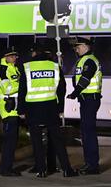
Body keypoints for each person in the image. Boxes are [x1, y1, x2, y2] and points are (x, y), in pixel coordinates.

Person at [19, 42, 78, 178]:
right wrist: (60, 108)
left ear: (34, 53)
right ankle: (66, 169)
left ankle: (41, 170)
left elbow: (22, 90)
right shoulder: (55, 67)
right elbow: (62, 89)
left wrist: (21, 110)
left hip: (33, 109)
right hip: (51, 108)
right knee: (58, 140)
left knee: (37, 140)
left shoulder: (27, 67)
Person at [68, 36, 102, 174]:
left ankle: (92, 165)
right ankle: (89, 163)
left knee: (89, 133)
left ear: (86, 46)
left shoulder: (89, 61)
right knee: (86, 132)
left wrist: (75, 93)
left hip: (90, 100)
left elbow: (85, 79)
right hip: (86, 100)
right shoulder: (84, 60)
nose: (77, 49)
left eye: (79, 46)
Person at [0, 48, 22, 177]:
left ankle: (8, 167)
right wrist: (22, 85)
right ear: (6, 57)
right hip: (8, 112)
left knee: (12, 142)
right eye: (12, 56)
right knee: (9, 142)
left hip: (15, 111)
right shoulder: (2, 71)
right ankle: (5, 169)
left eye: (16, 55)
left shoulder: (14, 69)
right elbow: (7, 89)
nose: (15, 58)